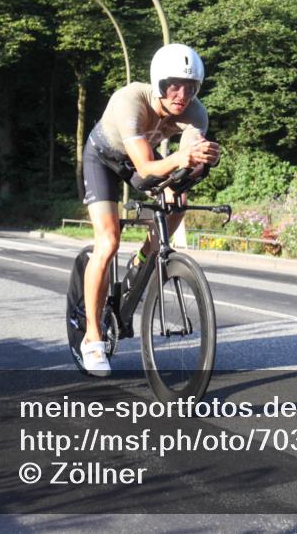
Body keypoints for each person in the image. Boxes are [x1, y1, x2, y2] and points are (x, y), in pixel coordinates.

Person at [80, 43, 220, 376]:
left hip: (137, 160)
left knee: (178, 202)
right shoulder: (130, 100)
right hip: (103, 158)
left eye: (190, 87)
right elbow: (144, 166)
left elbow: (185, 165)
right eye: (174, 84)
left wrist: (201, 164)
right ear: (158, 82)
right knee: (108, 242)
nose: (181, 94)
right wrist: (178, 162)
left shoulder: (196, 113)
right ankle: (92, 337)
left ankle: (144, 256)